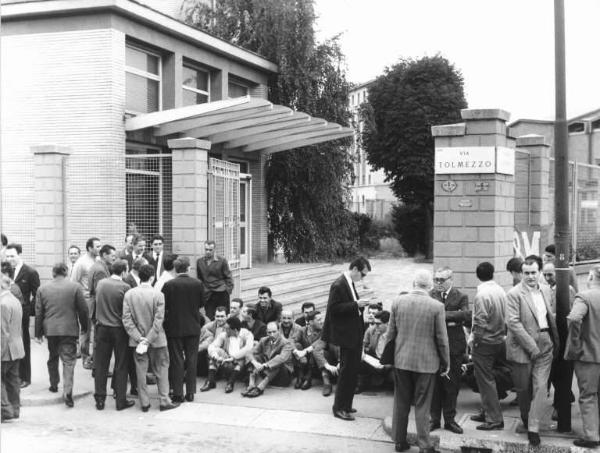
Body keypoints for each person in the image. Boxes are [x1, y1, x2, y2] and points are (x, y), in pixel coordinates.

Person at [386, 269, 449, 453]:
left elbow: (390, 334)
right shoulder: (436, 306)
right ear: (430, 286)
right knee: (423, 405)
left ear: (413, 283)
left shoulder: (398, 301)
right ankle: (424, 445)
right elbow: (442, 339)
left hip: (402, 360)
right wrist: (446, 363)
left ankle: (399, 441)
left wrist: (389, 358)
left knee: (401, 401)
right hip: (426, 363)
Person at [506, 255, 558, 447]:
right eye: (526, 273)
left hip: (545, 344)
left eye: (533, 273)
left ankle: (533, 428)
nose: (529, 277)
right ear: (521, 273)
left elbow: (548, 316)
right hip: (522, 347)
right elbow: (513, 323)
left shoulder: (545, 289)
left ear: (539, 273)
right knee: (523, 389)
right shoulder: (513, 294)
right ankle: (526, 417)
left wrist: (551, 340)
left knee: (541, 388)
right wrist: (532, 347)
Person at [123, 264, 179, 412]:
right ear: (153, 277)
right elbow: (158, 320)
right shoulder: (158, 295)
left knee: (140, 371)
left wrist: (139, 338)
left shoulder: (129, 294)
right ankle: (164, 400)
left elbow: (127, 320)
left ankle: (144, 402)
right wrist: (149, 338)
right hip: (157, 340)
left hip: (137, 341)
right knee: (162, 369)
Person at [322, 256, 371, 421]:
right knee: (346, 371)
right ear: (355, 269)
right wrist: (356, 304)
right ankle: (339, 408)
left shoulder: (348, 283)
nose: (362, 278)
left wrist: (359, 305)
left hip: (353, 334)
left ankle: (347, 404)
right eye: (362, 274)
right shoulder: (339, 284)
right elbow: (334, 309)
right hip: (346, 336)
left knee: (352, 371)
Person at [35, 263, 88, 407]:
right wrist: (85, 327)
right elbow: (83, 310)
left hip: (50, 330)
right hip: (69, 330)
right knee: (69, 360)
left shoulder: (42, 289)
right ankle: (67, 391)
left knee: (52, 356)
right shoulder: (75, 287)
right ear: (66, 272)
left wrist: (38, 333)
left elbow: (39, 312)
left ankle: (53, 384)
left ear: (53, 273)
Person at [429, 266, 470, 435]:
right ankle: (434, 419)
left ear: (450, 280)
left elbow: (466, 315)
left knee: (451, 384)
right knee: (434, 384)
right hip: (434, 346)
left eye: (442, 280)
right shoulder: (431, 294)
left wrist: (441, 315)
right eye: (436, 279)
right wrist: (453, 315)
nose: (438, 283)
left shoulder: (460, 296)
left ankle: (450, 420)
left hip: (454, 346)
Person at [469, 262, 507, 430]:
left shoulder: (481, 295)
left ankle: (494, 419)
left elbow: (480, 321)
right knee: (487, 379)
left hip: (484, 342)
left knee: (485, 381)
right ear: (493, 273)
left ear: (477, 275)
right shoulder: (500, 290)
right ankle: (487, 412)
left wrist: (474, 341)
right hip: (499, 339)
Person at [162, 256, 205, 403]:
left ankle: (178, 392)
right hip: (193, 326)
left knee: (176, 360)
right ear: (188, 268)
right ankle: (191, 392)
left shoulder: (169, 285)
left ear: (175, 268)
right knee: (192, 359)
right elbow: (201, 304)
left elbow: (164, 306)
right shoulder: (198, 284)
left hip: (174, 328)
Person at [566, 264, 600, 448]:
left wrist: (576, 344)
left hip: (588, 355)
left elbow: (573, 318)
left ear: (591, 277)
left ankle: (591, 436)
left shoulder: (585, 297)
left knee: (588, 396)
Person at [93, 260, 134, 411]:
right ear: (123, 271)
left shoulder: (101, 284)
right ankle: (120, 400)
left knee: (101, 365)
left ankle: (99, 399)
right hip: (119, 329)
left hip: (102, 328)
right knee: (121, 364)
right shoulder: (125, 287)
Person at [5, 243, 40, 387]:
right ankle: (10, 376)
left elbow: (37, 294)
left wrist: (27, 310)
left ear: (20, 255)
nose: (9, 259)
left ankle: (25, 377)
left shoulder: (30, 272)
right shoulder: (5, 271)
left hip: (21, 315)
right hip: (6, 314)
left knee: (23, 344)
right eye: (7, 256)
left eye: (12, 256)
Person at [71, 237, 100, 369]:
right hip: (86, 300)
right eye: (97, 246)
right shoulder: (81, 263)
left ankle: (95, 357)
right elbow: (74, 283)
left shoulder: (98, 261)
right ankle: (85, 358)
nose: (99, 248)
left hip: (98, 299)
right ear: (89, 248)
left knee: (98, 329)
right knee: (86, 330)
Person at [203, 316, 254, 394]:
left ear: (235, 330)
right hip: (227, 358)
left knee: (245, 355)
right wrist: (216, 356)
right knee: (216, 350)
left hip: (240, 362)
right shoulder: (224, 335)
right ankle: (210, 381)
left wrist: (233, 358)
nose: (225, 330)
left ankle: (230, 383)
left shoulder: (247, 334)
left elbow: (248, 348)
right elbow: (212, 346)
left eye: (227, 329)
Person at [243, 321, 293, 398]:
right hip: (268, 374)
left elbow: (282, 358)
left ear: (279, 331)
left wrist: (265, 365)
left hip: (283, 376)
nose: (272, 334)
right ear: (266, 332)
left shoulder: (286, 343)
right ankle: (251, 385)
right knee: (255, 357)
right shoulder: (264, 340)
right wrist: (255, 363)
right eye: (269, 332)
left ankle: (260, 388)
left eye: (274, 332)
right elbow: (249, 353)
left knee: (278, 361)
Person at [1, 274, 25, 422]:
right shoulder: (14, 300)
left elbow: (3, 333)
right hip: (17, 348)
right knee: (12, 380)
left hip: (6, 350)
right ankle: (15, 409)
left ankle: (4, 409)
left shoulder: (2, 304)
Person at [196, 240, 233, 320]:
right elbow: (199, 278)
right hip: (208, 294)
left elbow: (228, 276)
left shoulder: (222, 260)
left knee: (223, 317)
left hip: (221, 293)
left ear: (214, 250)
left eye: (210, 250)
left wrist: (228, 290)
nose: (208, 252)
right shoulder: (200, 261)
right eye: (206, 249)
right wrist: (202, 290)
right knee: (209, 317)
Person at [356, 310, 391, 393]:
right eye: (375, 323)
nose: (375, 326)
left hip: (389, 364)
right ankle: (361, 385)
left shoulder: (395, 335)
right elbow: (363, 344)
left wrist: (387, 366)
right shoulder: (371, 330)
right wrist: (362, 352)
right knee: (358, 357)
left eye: (378, 324)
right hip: (375, 360)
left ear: (388, 323)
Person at [292, 311, 323, 390]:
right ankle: (300, 375)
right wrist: (297, 352)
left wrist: (304, 351)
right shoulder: (303, 330)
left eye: (321, 319)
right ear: (311, 322)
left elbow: (318, 343)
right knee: (297, 345)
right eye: (319, 320)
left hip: (316, 361)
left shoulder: (323, 331)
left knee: (315, 349)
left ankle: (309, 378)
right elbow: (292, 341)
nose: (322, 321)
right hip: (303, 359)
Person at [197, 306, 229, 379]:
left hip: (224, 352)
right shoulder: (209, 326)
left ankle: (214, 376)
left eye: (222, 316)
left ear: (227, 316)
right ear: (214, 316)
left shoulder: (229, 327)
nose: (219, 319)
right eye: (217, 316)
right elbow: (201, 337)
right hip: (210, 351)